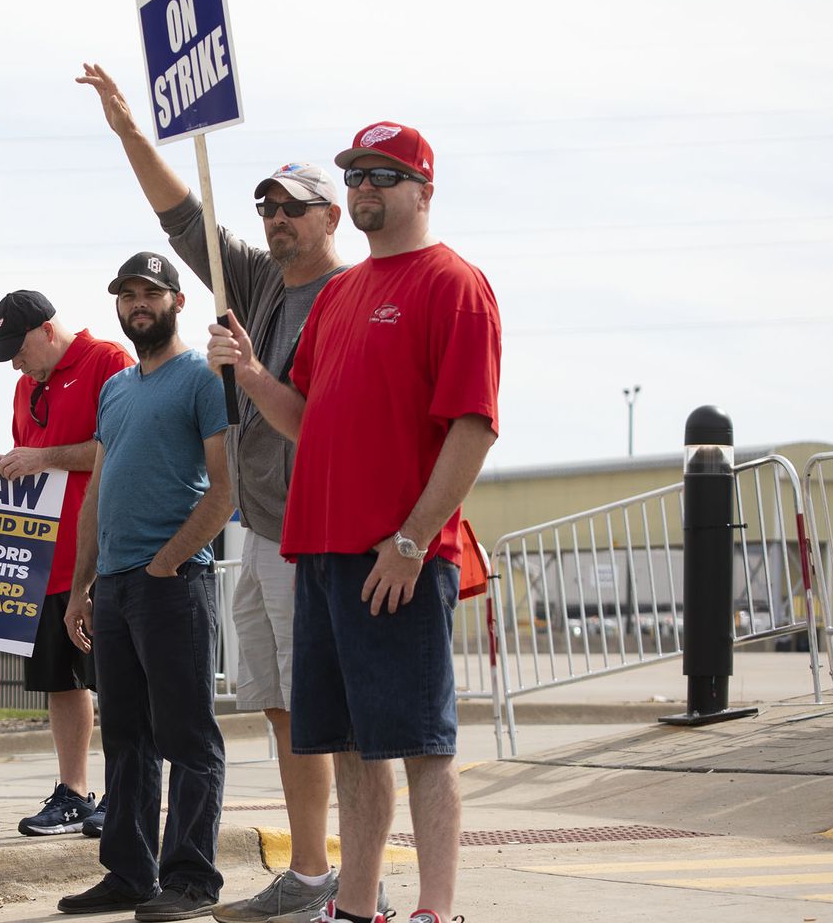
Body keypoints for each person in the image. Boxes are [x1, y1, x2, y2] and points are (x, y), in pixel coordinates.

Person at [77, 63, 356, 922]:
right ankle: (308, 873)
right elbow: (183, 216)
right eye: (266, 208)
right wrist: (129, 131)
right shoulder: (258, 282)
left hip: (316, 532)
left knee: (322, 714)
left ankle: (339, 875)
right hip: (262, 532)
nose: (273, 220)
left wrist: (248, 368)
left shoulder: (347, 296)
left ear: (329, 217)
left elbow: (321, 423)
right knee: (279, 710)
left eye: (291, 208)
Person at [209, 122, 501, 923]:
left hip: (396, 558)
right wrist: (251, 372)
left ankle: (436, 911)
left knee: (421, 747)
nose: (366, 186)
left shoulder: (453, 283)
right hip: (321, 556)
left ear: (422, 190)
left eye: (383, 174)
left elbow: (472, 426)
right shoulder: (339, 295)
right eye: (356, 175)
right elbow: (304, 418)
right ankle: (353, 906)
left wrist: (410, 542)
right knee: (347, 748)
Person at [56, 252, 233, 922]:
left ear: (177, 302)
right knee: (125, 737)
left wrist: (167, 563)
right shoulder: (117, 389)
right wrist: (81, 587)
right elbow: (98, 491)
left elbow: (225, 489)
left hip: (174, 585)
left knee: (187, 736)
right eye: (126, 295)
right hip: (117, 589)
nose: (137, 304)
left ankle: (190, 879)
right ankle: (130, 873)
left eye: (149, 294)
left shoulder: (202, 377)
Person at [0, 289, 133, 838]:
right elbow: (32, 464)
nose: (14, 363)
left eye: (17, 349)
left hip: (100, 556)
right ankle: (73, 793)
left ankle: (125, 792)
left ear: (47, 330)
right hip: (47, 559)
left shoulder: (108, 362)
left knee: (113, 680)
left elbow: (121, 446)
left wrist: (43, 457)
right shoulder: (26, 387)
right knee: (60, 682)